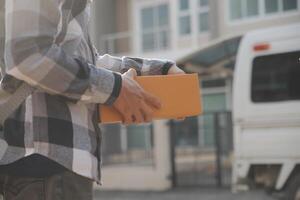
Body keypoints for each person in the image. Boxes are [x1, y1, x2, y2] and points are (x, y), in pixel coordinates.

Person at [0, 0, 184, 199]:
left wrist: (155, 71)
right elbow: (29, 55)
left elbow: (80, 62)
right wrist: (114, 88)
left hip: (46, 167)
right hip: (46, 164)